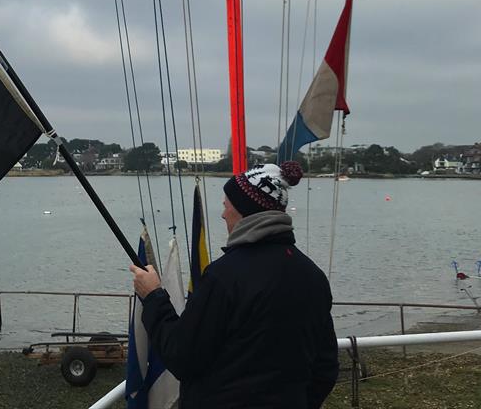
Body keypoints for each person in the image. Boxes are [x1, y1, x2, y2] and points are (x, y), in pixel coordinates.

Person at [130, 161, 338, 409]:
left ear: (243, 210)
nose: (222, 214)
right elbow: (325, 367)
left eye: (225, 205)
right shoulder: (312, 275)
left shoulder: (224, 277)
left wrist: (153, 296)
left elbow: (182, 357)